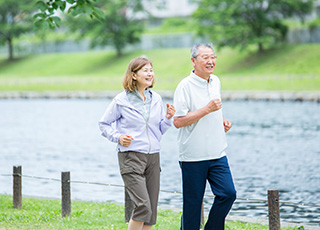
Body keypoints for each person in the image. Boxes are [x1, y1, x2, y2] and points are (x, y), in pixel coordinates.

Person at [99, 57, 175, 230]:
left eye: (151, 70)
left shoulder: (156, 99)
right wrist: (118, 137)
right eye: (145, 70)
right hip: (131, 157)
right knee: (143, 206)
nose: (150, 73)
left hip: (153, 158)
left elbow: (159, 130)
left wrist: (168, 118)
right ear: (134, 75)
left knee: (150, 212)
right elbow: (103, 124)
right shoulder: (121, 100)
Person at [173, 43, 236, 230]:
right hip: (193, 155)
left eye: (213, 57)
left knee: (228, 193)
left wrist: (222, 120)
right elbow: (178, 121)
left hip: (217, 152)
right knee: (192, 205)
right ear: (193, 61)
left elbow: (214, 109)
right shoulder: (184, 86)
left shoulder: (215, 81)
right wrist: (207, 109)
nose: (211, 61)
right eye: (205, 57)